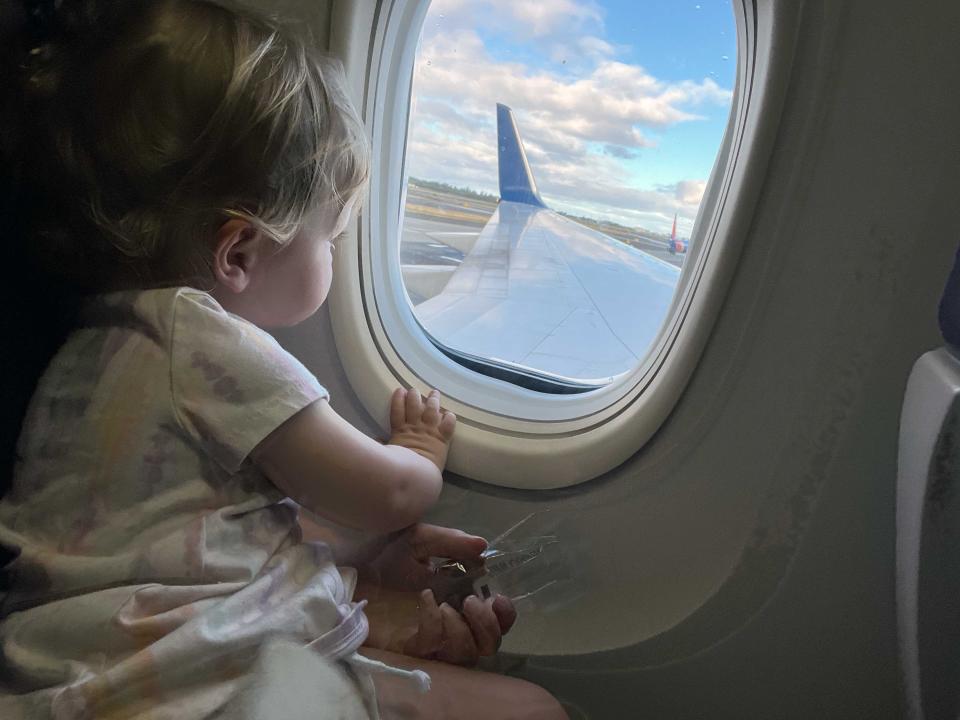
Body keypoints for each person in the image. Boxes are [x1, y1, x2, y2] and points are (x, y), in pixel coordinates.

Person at [0, 1, 568, 718]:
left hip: (84, 669)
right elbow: (386, 495)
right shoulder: (203, 342)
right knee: (536, 709)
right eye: (328, 237)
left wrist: (364, 567)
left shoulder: (85, 348)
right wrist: (419, 449)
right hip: (183, 680)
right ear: (239, 252)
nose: (332, 255)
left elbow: (202, 536)